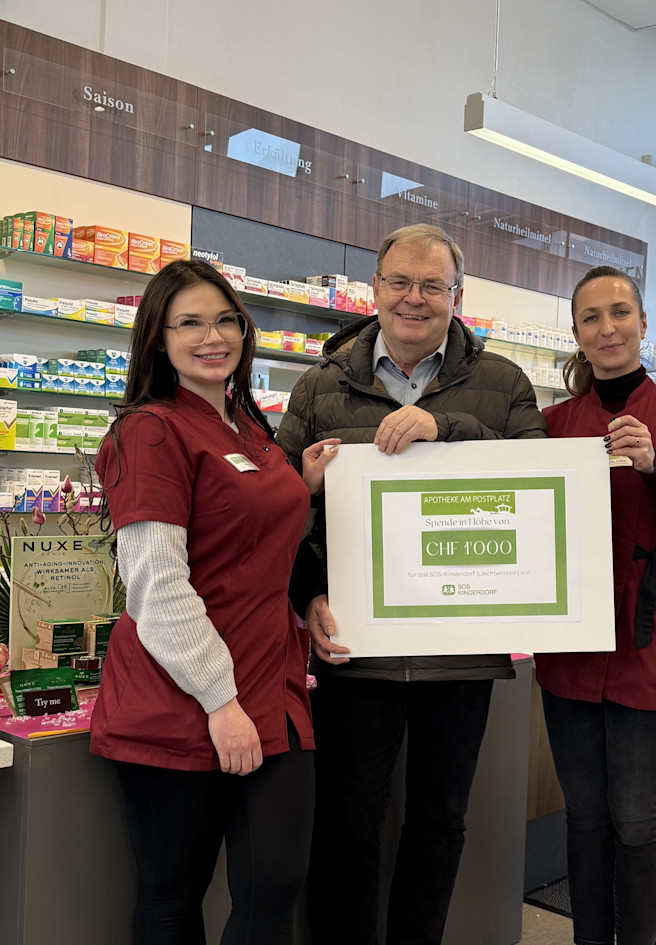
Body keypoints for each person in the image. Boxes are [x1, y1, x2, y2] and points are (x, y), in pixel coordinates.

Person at [276, 223, 547, 945]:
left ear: (458, 297)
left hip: (460, 647)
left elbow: (540, 484)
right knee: (348, 821)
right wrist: (310, 597)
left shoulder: (502, 384)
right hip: (355, 647)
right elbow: (279, 509)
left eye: (433, 284)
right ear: (376, 288)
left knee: (438, 820)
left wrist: (446, 428)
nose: (415, 297)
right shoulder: (322, 384)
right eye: (401, 281)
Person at [90, 259, 339, 945]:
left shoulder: (245, 425)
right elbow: (157, 584)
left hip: (271, 683)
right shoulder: (151, 431)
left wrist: (301, 484)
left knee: (276, 881)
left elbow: (248, 528)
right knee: (174, 895)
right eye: (190, 322)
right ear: (158, 338)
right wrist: (219, 700)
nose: (213, 335)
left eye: (225, 318)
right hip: (182, 695)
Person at [537, 265, 656, 945]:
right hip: (571, 647)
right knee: (585, 817)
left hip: (654, 643)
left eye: (620, 312)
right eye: (591, 316)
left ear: (644, 324)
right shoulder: (553, 424)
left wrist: (655, 471)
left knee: (637, 818)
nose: (608, 327)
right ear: (578, 333)